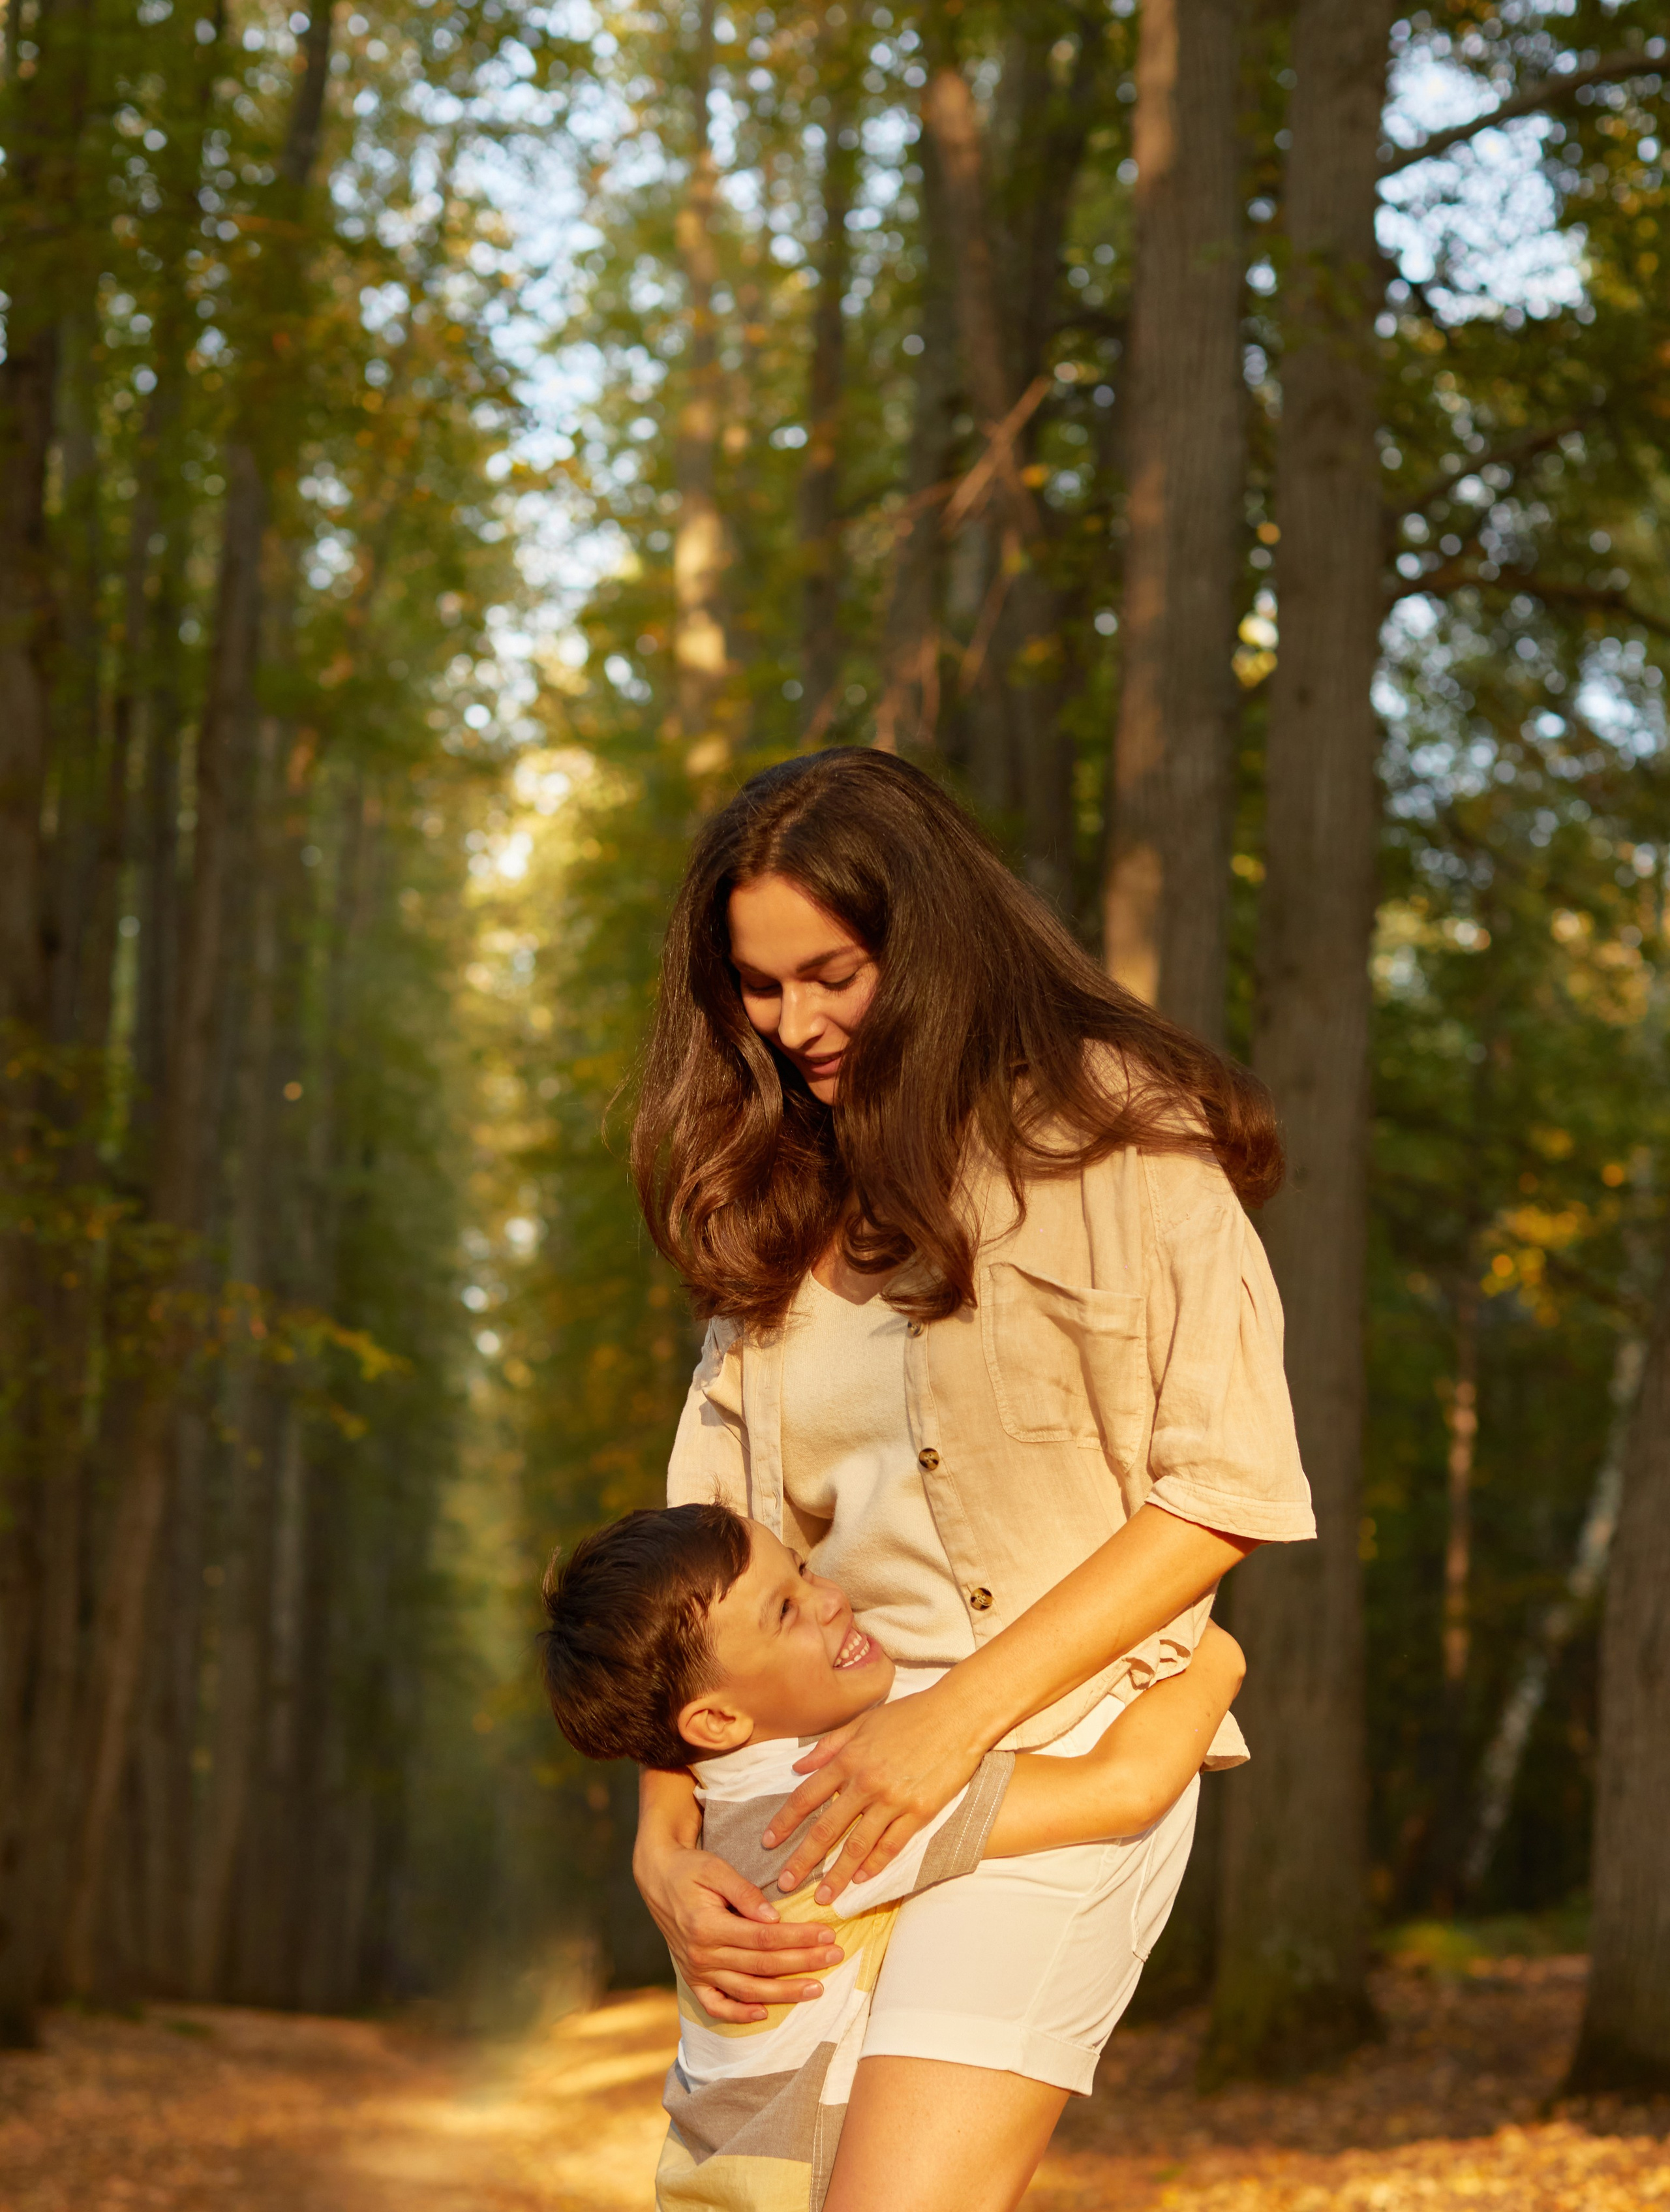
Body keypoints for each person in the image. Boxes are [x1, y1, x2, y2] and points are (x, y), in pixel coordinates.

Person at [628, 750, 1316, 2212]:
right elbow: (701, 1569)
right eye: (757, 988)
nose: (795, 1024)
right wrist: (665, 1850)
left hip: (1058, 1760)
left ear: (927, 938)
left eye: (833, 973)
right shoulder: (775, 1195)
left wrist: (950, 1721)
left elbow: (1225, 1489)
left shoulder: (1127, 1138)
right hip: (816, 1793)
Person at [539, 1500, 1247, 2212]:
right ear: (718, 1720)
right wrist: (1212, 1653)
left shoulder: (722, 1795)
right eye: (784, 1611)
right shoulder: (820, 1802)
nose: (831, 1598)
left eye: (804, 1569)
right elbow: (1121, 1789)